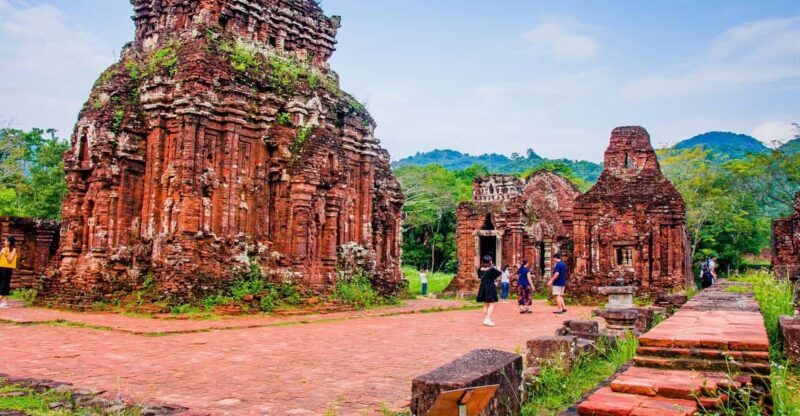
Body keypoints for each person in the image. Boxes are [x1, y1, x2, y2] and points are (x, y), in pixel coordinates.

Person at [476, 255, 501, 326]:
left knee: (485, 304)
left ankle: (486, 319)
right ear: (490, 261)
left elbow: (479, 276)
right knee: (492, 304)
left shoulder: (479, 269)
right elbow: (499, 273)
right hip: (490, 287)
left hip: (483, 287)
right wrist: (493, 267)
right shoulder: (491, 269)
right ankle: (487, 319)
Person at [0, 236, 18, 308]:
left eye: (6, 241)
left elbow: (10, 260)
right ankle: (3, 301)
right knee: (1, 283)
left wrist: (5, 254)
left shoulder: (13, 250)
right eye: (4, 241)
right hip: (1, 267)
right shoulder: (3, 249)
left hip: (7, 269)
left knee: (5, 284)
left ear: (10, 242)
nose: (5, 242)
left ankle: (5, 302)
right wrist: (1, 253)